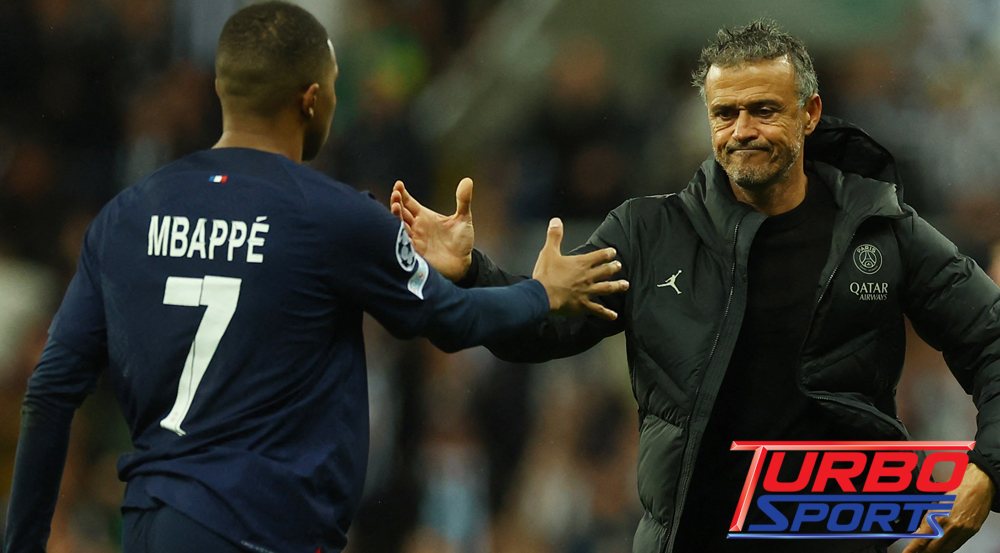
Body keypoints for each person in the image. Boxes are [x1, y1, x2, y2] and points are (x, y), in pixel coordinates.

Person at [2, 3, 628, 553]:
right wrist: (542, 293)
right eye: (333, 84)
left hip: (149, 524)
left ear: (223, 89)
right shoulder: (332, 216)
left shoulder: (125, 215)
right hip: (261, 529)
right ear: (310, 98)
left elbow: (51, 390)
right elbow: (454, 321)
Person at [390, 19, 1000, 553]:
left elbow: (993, 338)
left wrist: (989, 470)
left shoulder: (881, 229)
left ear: (810, 114)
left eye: (764, 110)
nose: (742, 130)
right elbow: (542, 331)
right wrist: (473, 273)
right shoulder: (647, 233)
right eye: (724, 113)